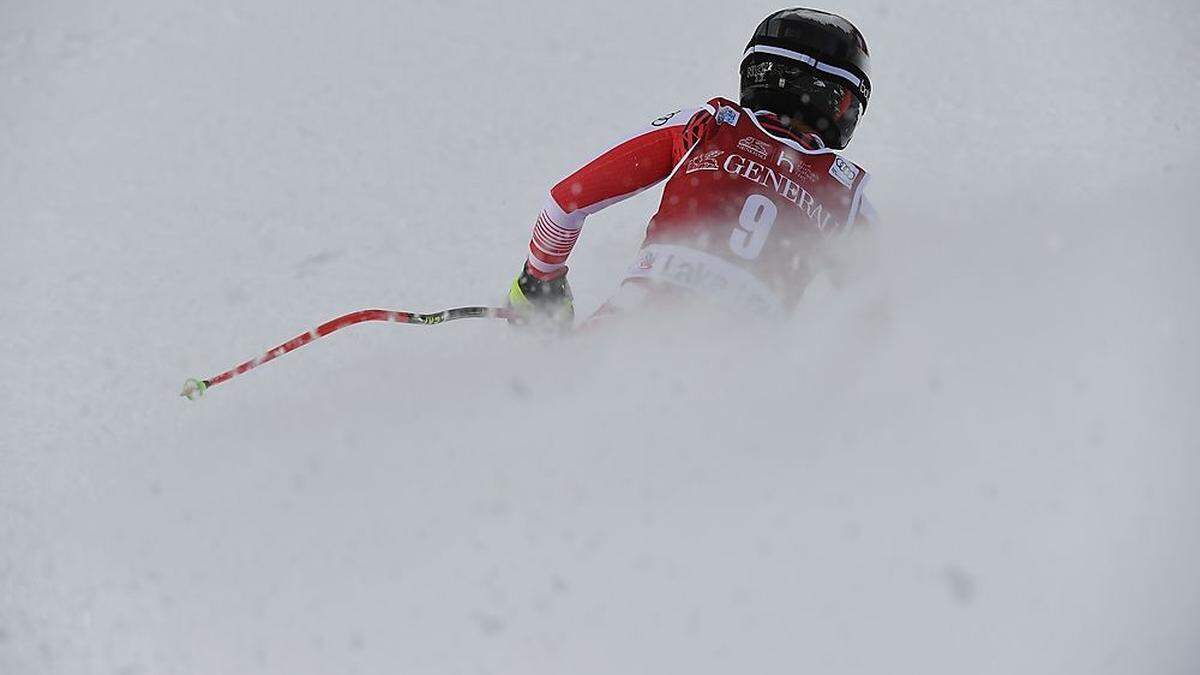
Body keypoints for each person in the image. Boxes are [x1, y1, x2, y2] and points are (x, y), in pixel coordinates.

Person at [506, 8, 876, 330]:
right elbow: (876, 325)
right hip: (738, 381)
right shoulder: (850, 195)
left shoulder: (711, 124)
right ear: (843, 102)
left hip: (623, 332)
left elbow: (565, 202)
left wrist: (540, 283)